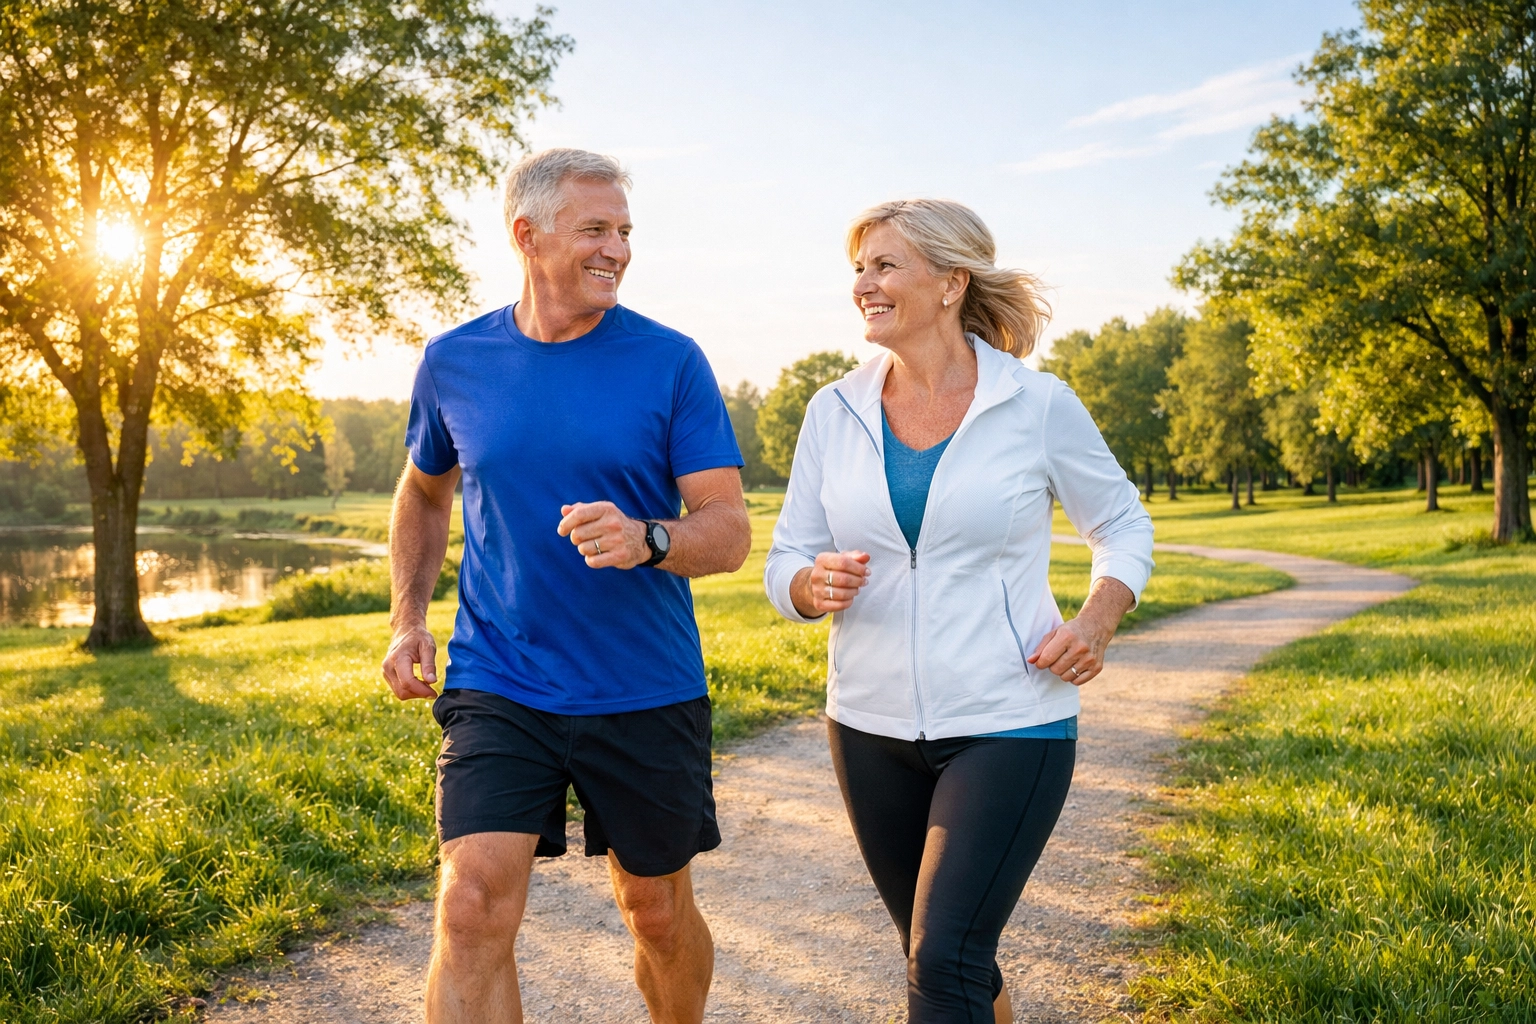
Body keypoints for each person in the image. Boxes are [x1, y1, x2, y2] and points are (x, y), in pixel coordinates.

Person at [382, 148, 751, 1024]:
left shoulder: (670, 362)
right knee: (471, 904)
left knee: (656, 910)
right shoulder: (455, 361)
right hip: (500, 677)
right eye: (595, 229)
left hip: (643, 683)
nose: (616, 249)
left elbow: (728, 530)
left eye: (624, 232)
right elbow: (425, 490)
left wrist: (647, 538)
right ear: (528, 235)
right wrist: (407, 619)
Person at [764, 199, 1154, 1023]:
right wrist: (806, 587)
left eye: (884, 265)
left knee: (943, 960)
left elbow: (1121, 524)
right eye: (859, 269)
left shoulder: (1036, 404)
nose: (864, 284)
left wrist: (1096, 620)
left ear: (950, 282)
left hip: (1009, 719)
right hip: (867, 725)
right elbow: (786, 556)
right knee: (942, 956)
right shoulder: (832, 411)